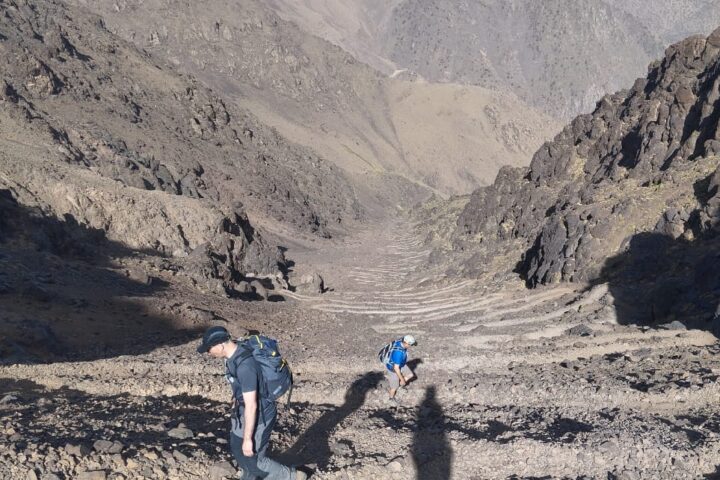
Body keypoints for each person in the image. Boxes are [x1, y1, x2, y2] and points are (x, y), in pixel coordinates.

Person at [197, 326, 306, 480]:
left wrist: (248, 439)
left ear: (221, 345)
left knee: (255, 460)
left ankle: (292, 476)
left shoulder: (245, 366)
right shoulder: (232, 357)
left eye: (209, 349)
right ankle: (249, 476)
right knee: (237, 448)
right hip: (242, 412)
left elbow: (252, 405)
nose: (208, 353)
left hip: (260, 414)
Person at [385, 334, 417, 403]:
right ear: (406, 343)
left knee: (410, 375)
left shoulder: (400, 341)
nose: (411, 346)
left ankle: (400, 385)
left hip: (400, 364)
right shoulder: (398, 353)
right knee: (394, 387)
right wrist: (402, 379)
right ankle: (391, 398)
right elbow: (396, 368)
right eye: (410, 344)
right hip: (393, 369)